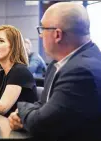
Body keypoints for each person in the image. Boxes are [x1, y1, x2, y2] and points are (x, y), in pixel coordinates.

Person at [8, 2, 101, 141]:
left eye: (42, 29)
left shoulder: (81, 71)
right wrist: (26, 115)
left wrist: (21, 109)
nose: (40, 36)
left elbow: (41, 124)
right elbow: (43, 106)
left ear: (57, 34)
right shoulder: (58, 63)